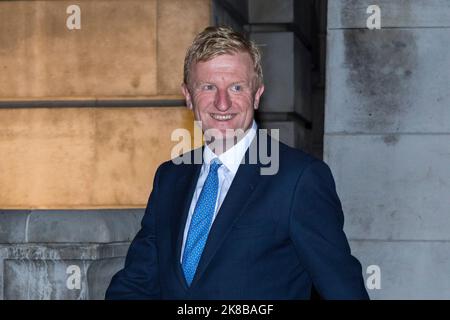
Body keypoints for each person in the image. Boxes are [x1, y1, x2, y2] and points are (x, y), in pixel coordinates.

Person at [105, 26, 369, 300]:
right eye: (208, 87)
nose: (222, 103)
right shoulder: (169, 177)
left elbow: (343, 290)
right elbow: (138, 281)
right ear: (187, 95)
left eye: (236, 87)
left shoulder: (298, 179)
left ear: (257, 95)